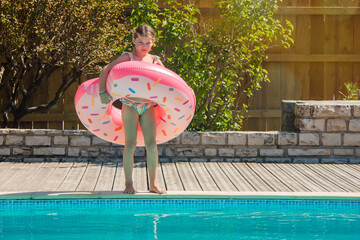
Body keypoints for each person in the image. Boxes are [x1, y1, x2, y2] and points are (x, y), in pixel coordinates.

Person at [98, 24, 167, 194]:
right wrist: (103, 92)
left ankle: (153, 184)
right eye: (141, 42)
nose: (144, 47)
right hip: (130, 104)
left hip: (148, 105)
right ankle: (129, 184)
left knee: (152, 145)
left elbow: (167, 81)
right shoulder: (127, 58)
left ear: (153, 42)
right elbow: (104, 70)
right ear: (134, 41)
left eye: (148, 43)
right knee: (130, 144)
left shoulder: (155, 60)